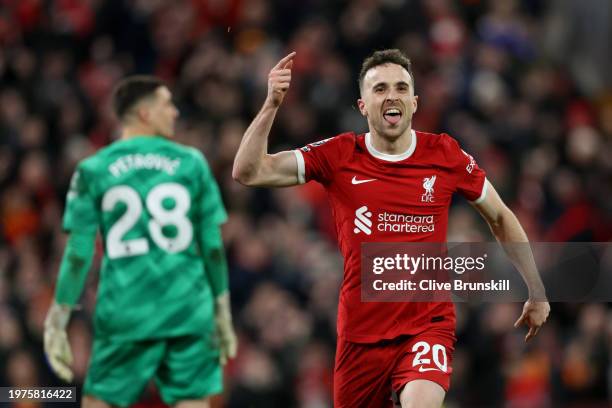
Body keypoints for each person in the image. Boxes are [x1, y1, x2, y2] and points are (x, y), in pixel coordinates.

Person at [232, 49, 550, 408]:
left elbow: (501, 217)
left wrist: (535, 287)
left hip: (427, 324)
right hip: (361, 334)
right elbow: (248, 171)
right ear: (362, 105)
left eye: (401, 87)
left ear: (414, 102)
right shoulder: (338, 156)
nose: (392, 96)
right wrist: (272, 103)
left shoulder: (445, 154)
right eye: (380, 89)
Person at [43, 76, 237, 408]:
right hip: (186, 309)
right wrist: (221, 308)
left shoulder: (93, 169)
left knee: (99, 401)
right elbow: (214, 249)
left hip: (127, 310)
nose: (175, 112)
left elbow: (78, 254)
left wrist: (58, 317)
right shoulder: (191, 163)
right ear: (145, 113)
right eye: (167, 104)